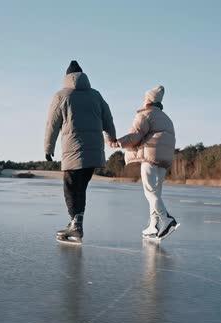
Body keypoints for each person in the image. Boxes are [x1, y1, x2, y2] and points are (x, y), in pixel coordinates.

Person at [44, 60, 117, 243]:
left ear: (66, 78)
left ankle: (75, 225)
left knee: (70, 188)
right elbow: (108, 119)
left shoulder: (61, 95)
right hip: (94, 153)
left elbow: (52, 125)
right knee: (80, 189)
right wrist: (112, 138)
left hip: (73, 151)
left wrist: (48, 148)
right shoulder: (96, 95)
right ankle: (76, 224)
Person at [108, 85, 179, 239]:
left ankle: (166, 219)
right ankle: (153, 226)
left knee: (150, 192)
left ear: (148, 99)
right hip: (163, 160)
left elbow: (135, 136)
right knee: (156, 193)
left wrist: (116, 143)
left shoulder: (146, 114)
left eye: (144, 97)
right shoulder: (166, 118)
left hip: (150, 158)